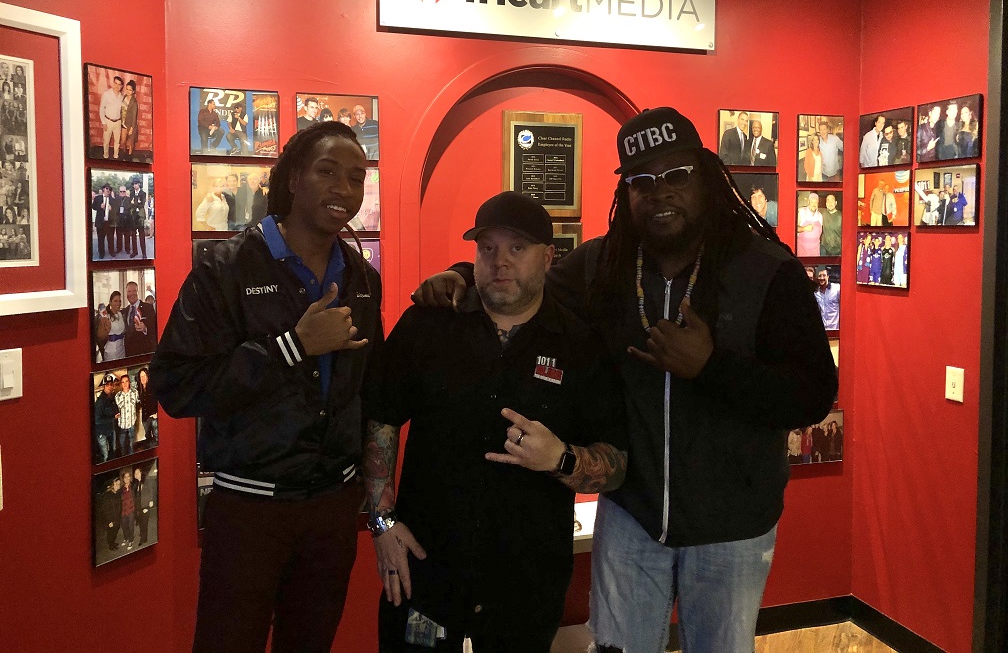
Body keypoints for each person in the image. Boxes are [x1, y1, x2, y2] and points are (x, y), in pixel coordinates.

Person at [413, 107, 837, 653]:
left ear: (705, 177)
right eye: (641, 181)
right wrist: (462, 275)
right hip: (632, 517)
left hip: (733, 526)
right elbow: (525, 285)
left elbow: (812, 395)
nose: (660, 193)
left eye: (676, 175)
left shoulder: (766, 270)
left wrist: (711, 368)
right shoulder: (603, 265)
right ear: (626, 192)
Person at [151, 121, 383, 652]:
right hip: (249, 510)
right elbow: (176, 385)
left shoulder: (362, 278)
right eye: (327, 172)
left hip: (331, 511)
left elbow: (372, 388)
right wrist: (291, 346)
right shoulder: (226, 267)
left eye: (356, 177)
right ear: (293, 179)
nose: (344, 189)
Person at [364, 191, 628, 652]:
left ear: (548, 257)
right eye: (487, 248)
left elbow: (616, 463)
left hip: (526, 583)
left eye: (517, 248)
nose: (499, 261)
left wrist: (560, 459)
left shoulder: (579, 345)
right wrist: (382, 523)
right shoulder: (427, 326)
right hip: (425, 570)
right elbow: (380, 420)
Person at [124, 280, 157, 357]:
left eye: (134, 291)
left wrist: (145, 329)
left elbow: (155, 328)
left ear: (137, 291)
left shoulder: (148, 307)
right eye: (129, 291)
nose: (131, 294)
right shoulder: (125, 311)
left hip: (144, 352)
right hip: (128, 354)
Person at [94, 373, 120, 463]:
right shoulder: (100, 402)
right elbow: (97, 420)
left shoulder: (112, 397)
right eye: (107, 385)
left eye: (111, 384)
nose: (110, 387)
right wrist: (113, 418)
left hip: (110, 430)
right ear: (104, 386)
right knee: (105, 455)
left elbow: (115, 409)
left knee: (113, 451)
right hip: (102, 432)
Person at [96, 291, 127, 362]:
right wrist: (106, 329)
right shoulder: (106, 316)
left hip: (122, 348)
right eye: (115, 301)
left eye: (119, 301)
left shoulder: (120, 314)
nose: (118, 303)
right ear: (110, 302)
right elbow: (100, 336)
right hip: (112, 350)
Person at [100, 76, 124, 159]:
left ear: (121, 86)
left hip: (118, 122)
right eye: (116, 83)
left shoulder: (122, 97)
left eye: (119, 84)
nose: (117, 86)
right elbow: (101, 108)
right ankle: (105, 156)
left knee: (117, 141)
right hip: (108, 121)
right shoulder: (107, 94)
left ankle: (116, 156)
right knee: (106, 141)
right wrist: (103, 122)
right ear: (113, 83)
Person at [115, 373, 140, 456]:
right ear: (121, 384)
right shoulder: (117, 396)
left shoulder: (135, 392)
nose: (125, 384)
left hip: (132, 424)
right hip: (122, 425)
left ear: (129, 382)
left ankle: (131, 458)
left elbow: (138, 403)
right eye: (123, 382)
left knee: (131, 444)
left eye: (126, 381)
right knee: (122, 445)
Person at [92, 183, 117, 259]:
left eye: (109, 189)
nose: (108, 190)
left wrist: (112, 209)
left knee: (110, 238)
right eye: (107, 188)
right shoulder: (98, 198)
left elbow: (116, 210)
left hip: (109, 222)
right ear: (103, 189)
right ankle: (101, 253)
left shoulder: (113, 200)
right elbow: (93, 207)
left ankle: (111, 252)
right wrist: (100, 206)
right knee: (100, 239)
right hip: (100, 222)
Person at [796, 192, 822, 257]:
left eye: (816, 202)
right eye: (812, 202)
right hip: (802, 252)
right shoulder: (801, 211)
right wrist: (804, 228)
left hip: (815, 253)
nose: (814, 204)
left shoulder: (820, 215)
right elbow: (793, 228)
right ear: (808, 202)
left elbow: (820, 233)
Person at [136, 366, 158, 447]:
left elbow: (158, 400)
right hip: (145, 418)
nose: (143, 378)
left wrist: (157, 413)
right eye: (141, 376)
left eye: (144, 376)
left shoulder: (153, 387)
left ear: (148, 376)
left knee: (156, 437)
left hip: (153, 416)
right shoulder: (139, 390)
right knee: (147, 437)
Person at [813, 267, 840, 331]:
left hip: (835, 328)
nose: (822, 278)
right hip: (822, 329)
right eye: (820, 276)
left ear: (828, 276)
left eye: (824, 275)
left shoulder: (837, 288)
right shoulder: (816, 293)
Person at [129, 176, 148, 259]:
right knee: (133, 235)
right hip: (133, 215)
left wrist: (134, 202)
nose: (135, 185)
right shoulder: (131, 192)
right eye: (133, 184)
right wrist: (136, 202)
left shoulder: (143, 193)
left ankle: (144, 253)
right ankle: (135, 251)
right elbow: (130, 204)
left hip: (140, 216)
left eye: (136, 183)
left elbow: (142, 204)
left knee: (141, 235)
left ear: (139, 184)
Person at [119, 80, 139, 157]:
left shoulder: (134, 102)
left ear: (133, 91)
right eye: (127, 89)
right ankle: (124, 154)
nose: (128, 91)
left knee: (130, 143)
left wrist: (131, 128)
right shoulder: (124, 97)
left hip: (131, 125)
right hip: (123, 123)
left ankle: (130, 156)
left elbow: (134, 116)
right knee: (123, 141)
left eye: (130, 90)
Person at [120, 468, 138, 550]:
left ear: (130, 477)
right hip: (123, 511)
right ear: (123, 479)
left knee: (131, 526)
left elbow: (137, 496)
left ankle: (131, 540)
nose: (127, 478)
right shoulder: (121, 489)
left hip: (131, 510)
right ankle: (126, 538)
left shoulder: (133, 486)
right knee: (124, 526)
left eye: (128, 476)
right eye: (125, 477)